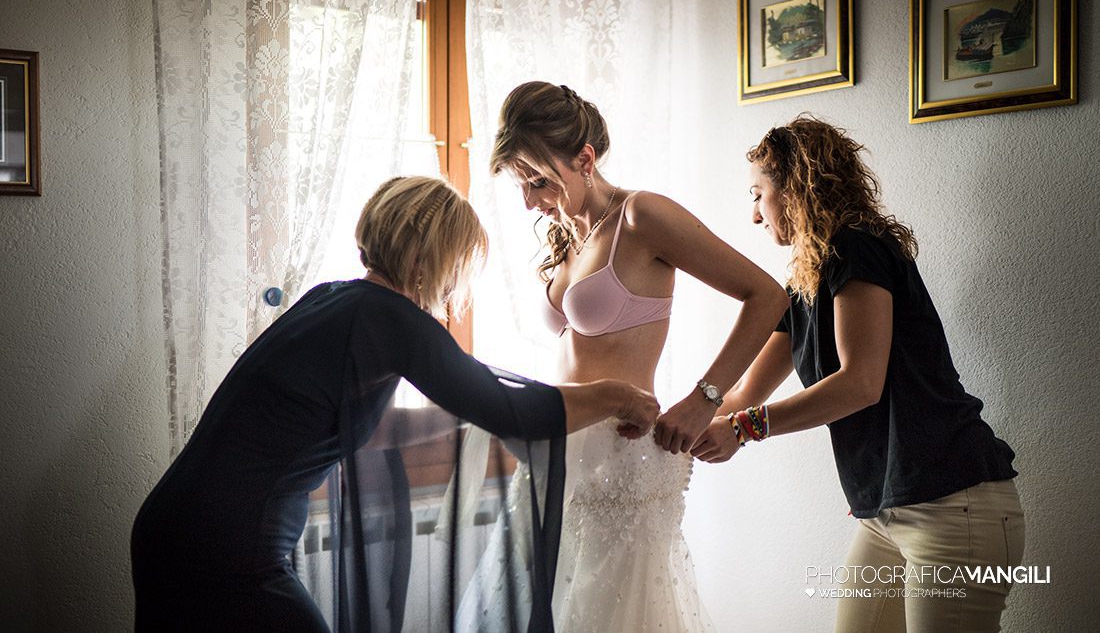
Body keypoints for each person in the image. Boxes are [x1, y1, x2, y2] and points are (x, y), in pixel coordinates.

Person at [130, 176, 660, 632]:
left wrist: (466, 424)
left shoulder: (335, 298)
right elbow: (515, 411)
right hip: (228, 550)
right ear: (424, 256)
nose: (455, 283)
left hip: (175, 527)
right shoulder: (390, 318)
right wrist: (615, 396)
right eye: (457, 263)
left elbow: (380, 430)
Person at [691, 116, 1024, 632]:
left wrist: (745, 428)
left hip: (954, 505)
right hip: (886, 516)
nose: (754, 215)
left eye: (758, 194)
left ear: (795, 188)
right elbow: (742, 391)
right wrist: (671, 426)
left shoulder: (857, 247)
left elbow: (859, 383)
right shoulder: (803, 285)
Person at [481, 82, 789, 632]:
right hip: (559, 454)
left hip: (622, 464)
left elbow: (767, 297)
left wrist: (705, 400)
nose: (529, 200)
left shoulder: (641, 217)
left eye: (537, 180)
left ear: (585, 159)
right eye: (520, 184)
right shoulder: (565, 236)